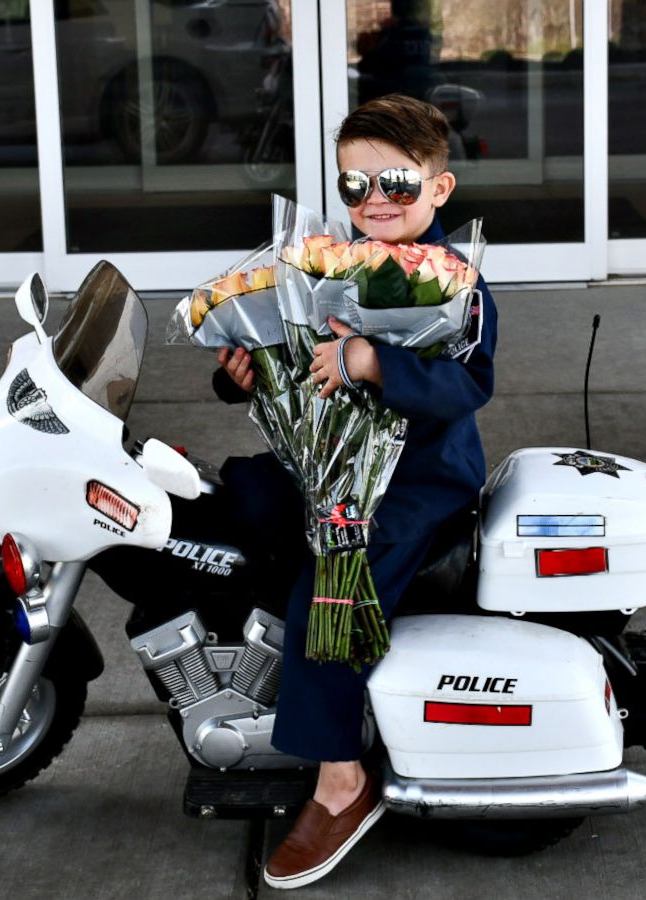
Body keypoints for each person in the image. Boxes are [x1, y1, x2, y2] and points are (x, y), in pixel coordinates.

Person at [211, 94, 498, 890]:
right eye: (354, 185)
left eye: (397, 183)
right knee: (235, 501)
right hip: (326, 469)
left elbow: (470, 384)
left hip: (415, 488)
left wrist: (376, 363)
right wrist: (244, 371)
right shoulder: (327, 263)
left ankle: (343, 781)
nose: (374, 200)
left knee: (326, 602)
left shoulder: (457, 284)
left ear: (439, 190)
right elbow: (291, 357)